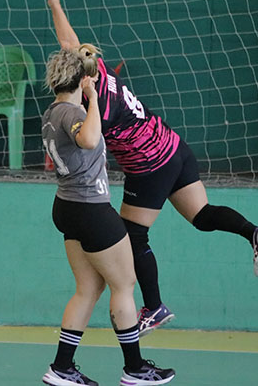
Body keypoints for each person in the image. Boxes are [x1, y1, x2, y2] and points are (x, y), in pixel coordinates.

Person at [43, 0, 258, 336]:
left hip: (149, 165)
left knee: (133, 234)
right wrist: (56, 4)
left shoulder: (96, 108)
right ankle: (253, 233)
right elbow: (69, 41)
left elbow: (89, 141)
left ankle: (154, 307)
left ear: (81, 80)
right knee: (202, 215)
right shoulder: (98, 67)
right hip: (174, 146)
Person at [41, 48, 174, 386]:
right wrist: (94, 100)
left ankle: (61, 367)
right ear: (82, 80)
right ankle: (135, 368)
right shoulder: (72, 111)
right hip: (90, 209)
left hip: (68, 207)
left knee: (87, 289)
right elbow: (88, 139)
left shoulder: (51, 111)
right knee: (124, 285)